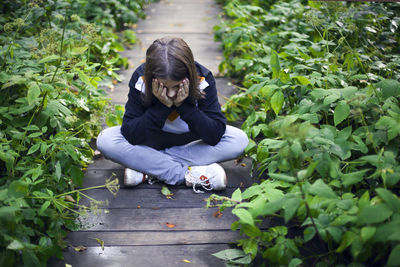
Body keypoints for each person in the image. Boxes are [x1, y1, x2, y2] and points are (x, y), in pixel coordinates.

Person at [96, 36, 248, 193]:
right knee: (106, 140)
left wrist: (185, 107)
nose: (171, 93)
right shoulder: (140, 79)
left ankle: (147, 168)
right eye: (163, 87)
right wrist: (161, 107)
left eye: (177, 86)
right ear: (151, 78)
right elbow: (130, 134)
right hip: (151, 141)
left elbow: (214, 134)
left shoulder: (203, 78)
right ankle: (187, 175)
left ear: (188, 76)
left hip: (192, 143)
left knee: (239, 140)